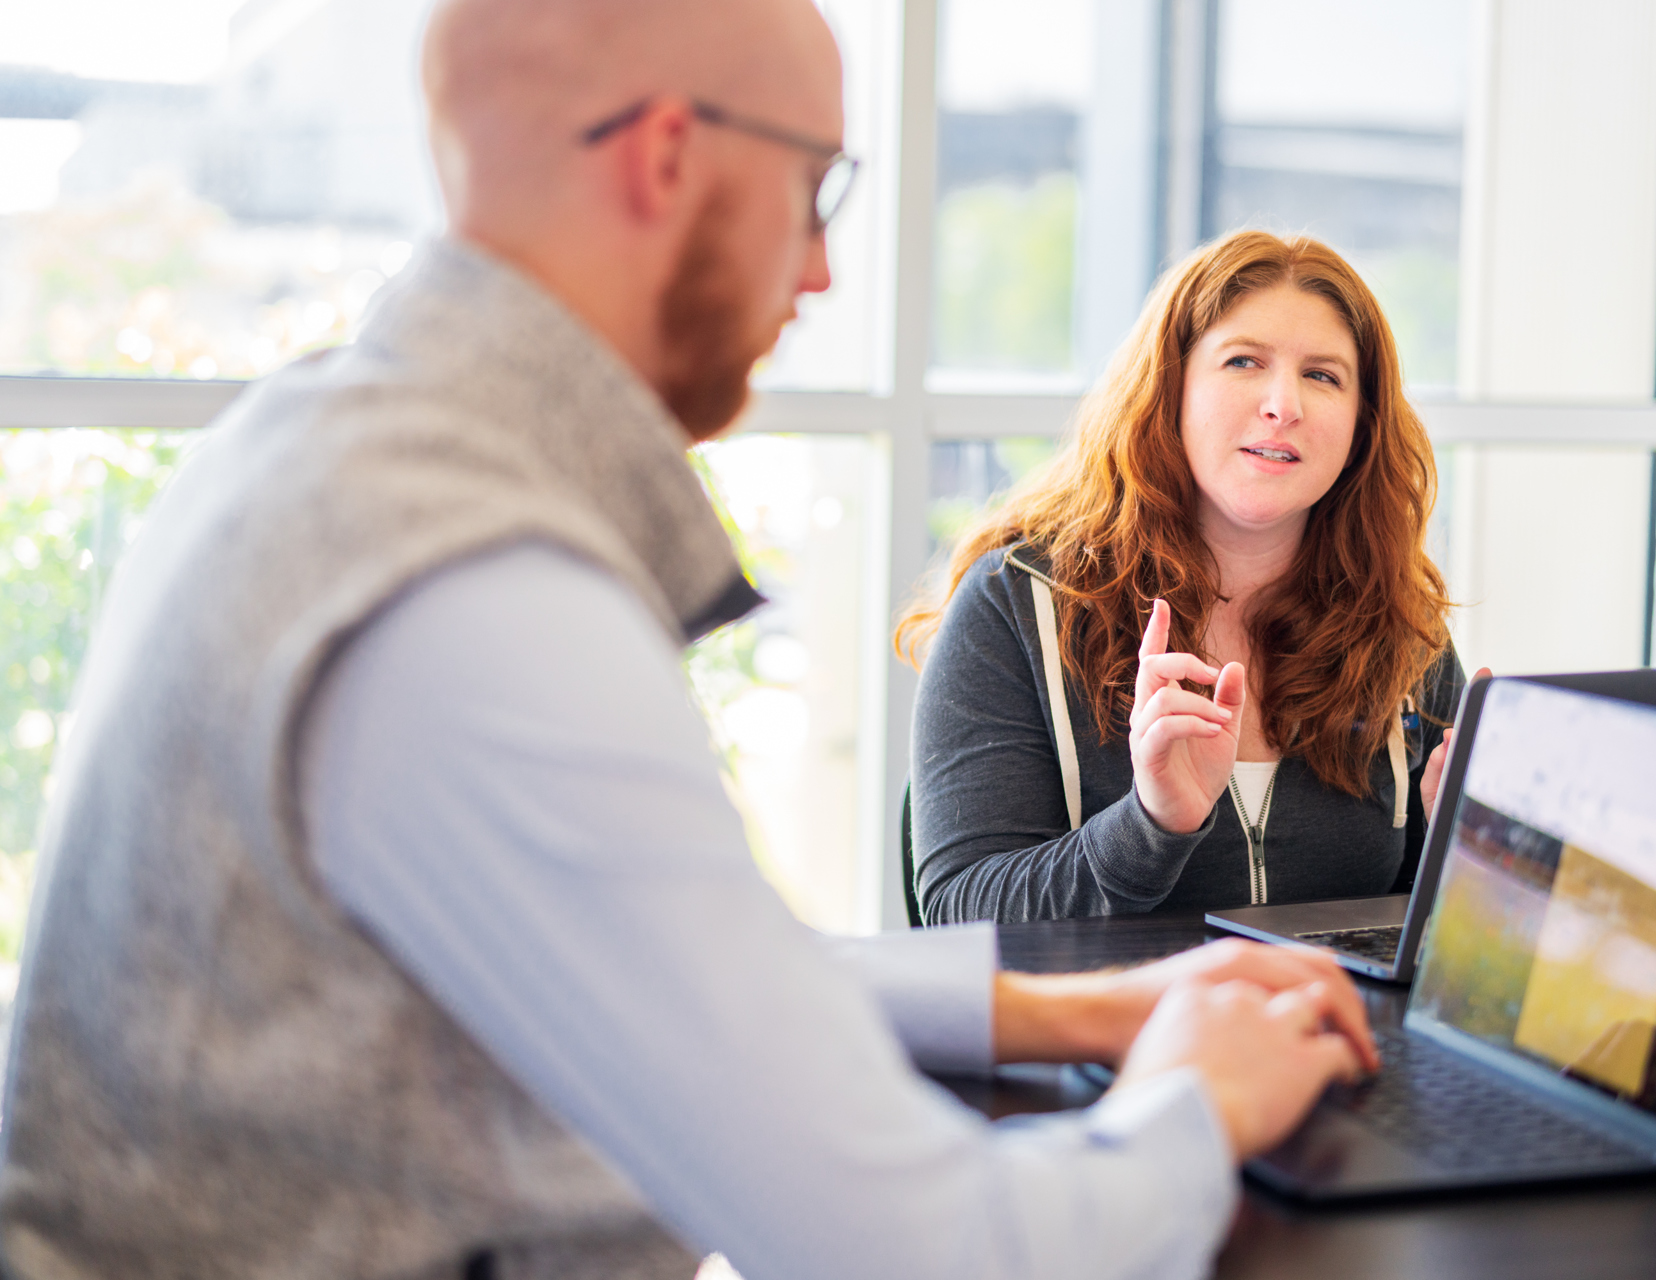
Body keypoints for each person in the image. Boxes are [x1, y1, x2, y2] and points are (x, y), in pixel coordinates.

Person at [0, 3, 1380, 1279]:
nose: (829, 271)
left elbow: (687, 958)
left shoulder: (321, 446)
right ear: (668, 157)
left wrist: (1078, 1013)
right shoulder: (477, 588)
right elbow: (922, 1247)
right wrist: (1199, 1101)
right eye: (816, 189)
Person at [900, 231, 1476, 924]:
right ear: (1168, 389)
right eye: (1243, 361)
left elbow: (1414, 929)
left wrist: (1464, 859)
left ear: (1363, 423)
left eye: (1323, 376)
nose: (1283, 404)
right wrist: (1151, 825)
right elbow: (962, 910)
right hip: (1121, 1034)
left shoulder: (1395, 619)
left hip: (1329, 1031)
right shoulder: (1017, 604)